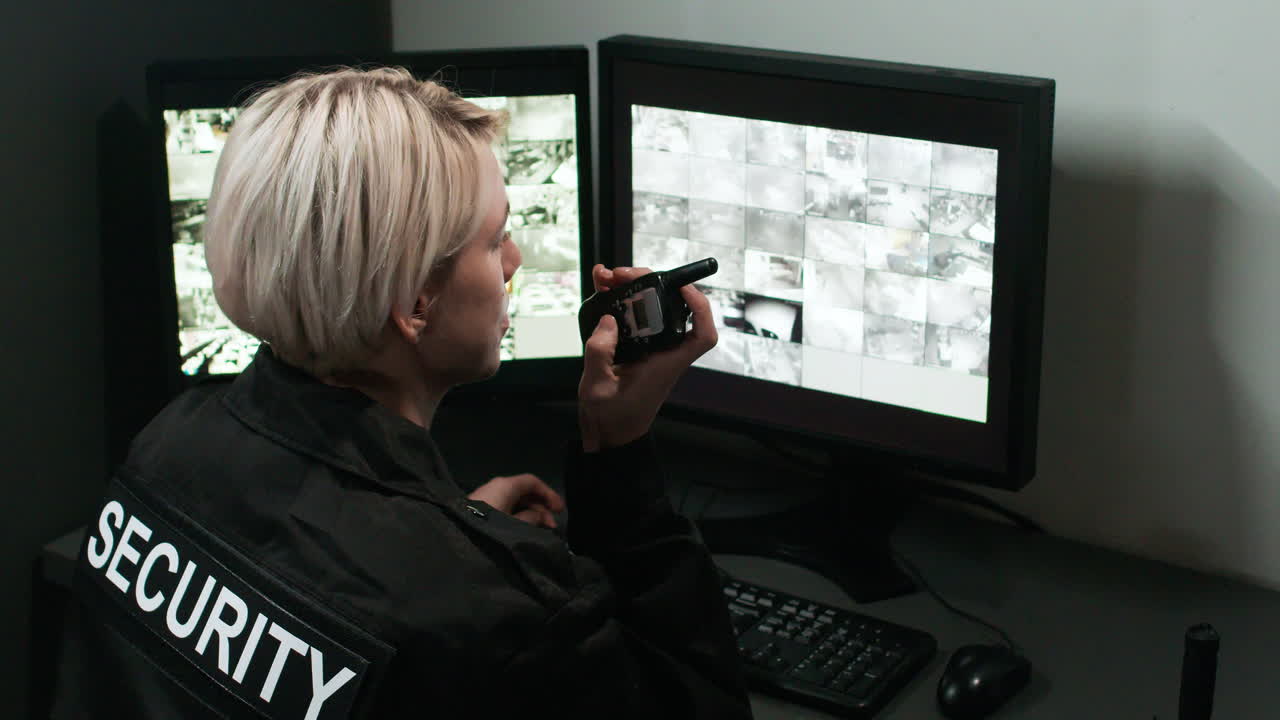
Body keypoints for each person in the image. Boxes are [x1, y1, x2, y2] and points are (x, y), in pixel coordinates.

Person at [53, 67, 751, 718]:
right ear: (415, 304)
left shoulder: (168, 444)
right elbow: (696, 699)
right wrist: (616, 454)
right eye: (497, 238)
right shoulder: (497, 620)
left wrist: (452, 533)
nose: (513, 261)